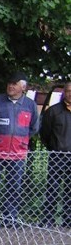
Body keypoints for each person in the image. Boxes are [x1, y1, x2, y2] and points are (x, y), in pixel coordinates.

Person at [0, 71, 39, 225]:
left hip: (18, 154)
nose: (11, 86)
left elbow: (33, 128)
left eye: (15, 83)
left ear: (23, 87)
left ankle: (10, 219)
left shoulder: (30, 105)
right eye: (9, 83)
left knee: (14, 188)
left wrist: (20, 141)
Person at [39, 81, 71, 227]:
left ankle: (68, 221)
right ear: (64, 92)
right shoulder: (53, 111)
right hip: (57, 154)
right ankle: (48, 221)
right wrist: (53, 147)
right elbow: (45, 133)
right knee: (53, 188)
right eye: (69, 90)